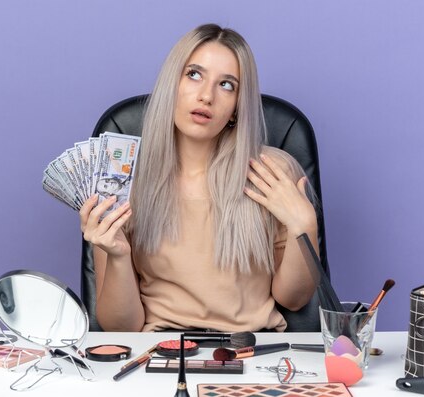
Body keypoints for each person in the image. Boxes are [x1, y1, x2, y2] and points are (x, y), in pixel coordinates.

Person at [80, 23, 320, 332]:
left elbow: (294, 299)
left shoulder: (271, 173)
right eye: (194, 74)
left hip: (251, 350)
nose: (206, 96)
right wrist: (117, 256)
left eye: (227, 85)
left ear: (236, 107)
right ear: (172, 86)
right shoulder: (120, 180)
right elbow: (121, 328)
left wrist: (305, 226)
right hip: (159, 353)